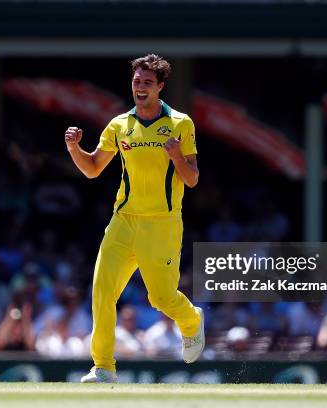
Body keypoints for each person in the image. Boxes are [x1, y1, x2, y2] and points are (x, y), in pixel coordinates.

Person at [64, 54, 204, 383]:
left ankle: (190, 322)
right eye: (136, 82)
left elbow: (193, 178)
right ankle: (103, 367)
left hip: (162, 222)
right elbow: (94, 168)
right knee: (102, 289)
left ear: (160, 87)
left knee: (160, 298)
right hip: (123, 219)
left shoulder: (180, 123)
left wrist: (175, 155)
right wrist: (74, 149)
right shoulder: (119, 125)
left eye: (147, 83)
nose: (140, 88)